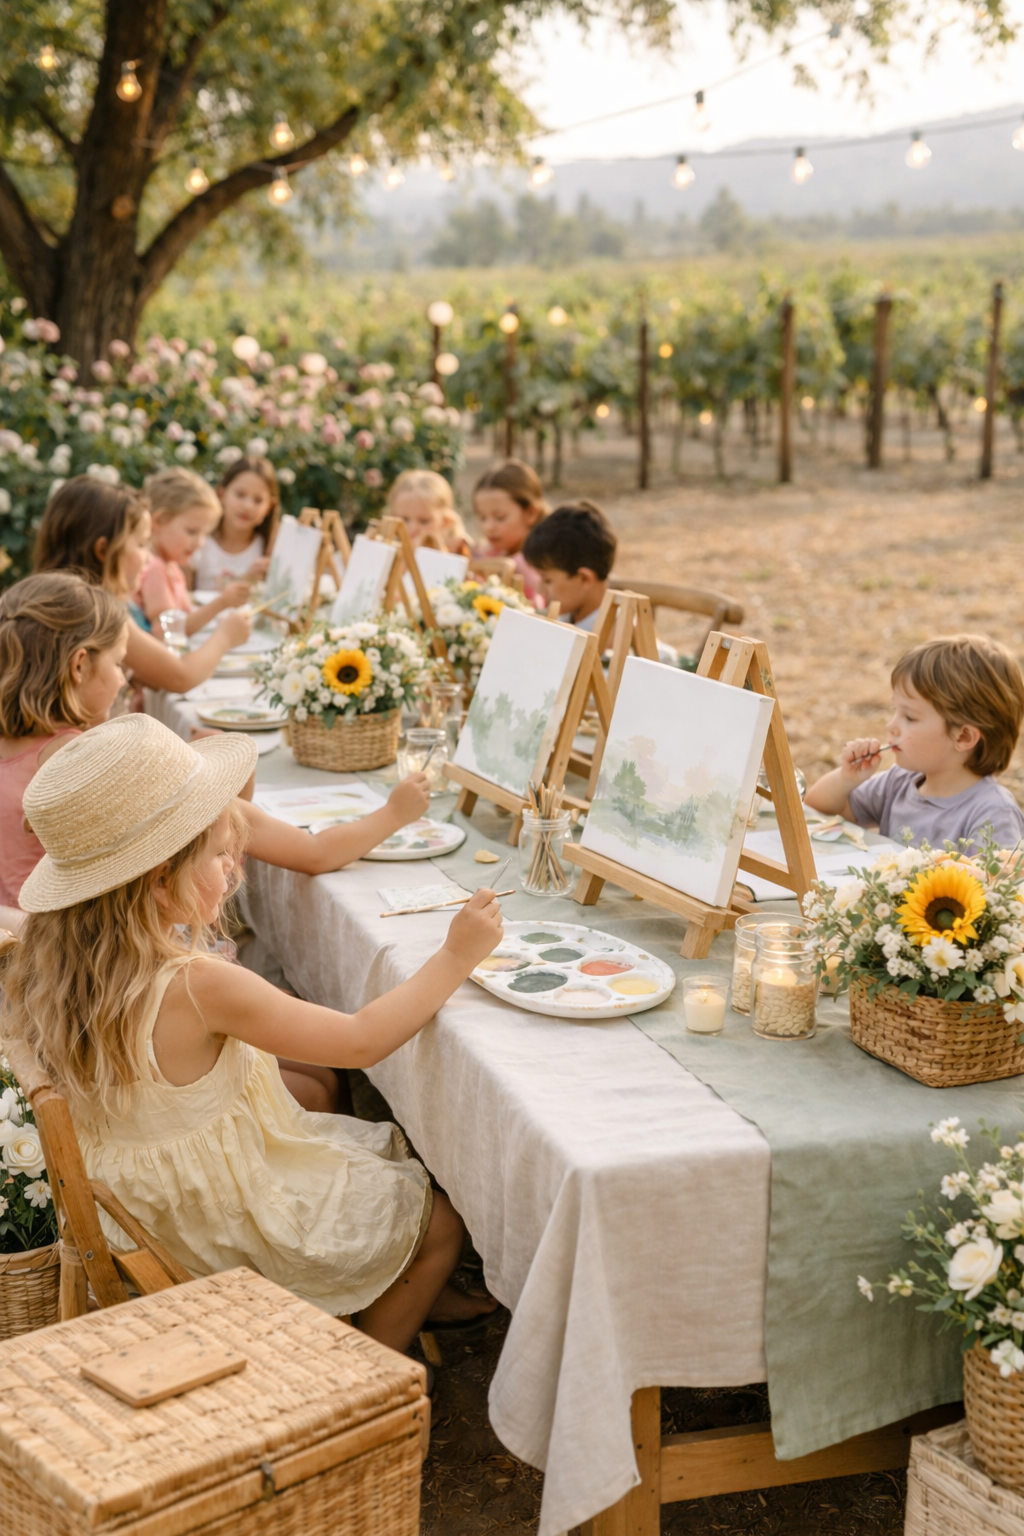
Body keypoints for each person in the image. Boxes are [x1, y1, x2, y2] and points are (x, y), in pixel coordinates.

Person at [0, 714, 501, 1351]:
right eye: (218, 856)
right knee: (438, 1224)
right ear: (160, 883)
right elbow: (360, 1040)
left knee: (334, 1117)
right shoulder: (199, 986)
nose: (234, 870)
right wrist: (457, 954)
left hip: (136, 1216)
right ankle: (362, 1374)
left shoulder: (58, 966)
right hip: (214, 1228)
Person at [804, 634, 1024, 851]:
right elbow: (816, 810)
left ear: (964, 737)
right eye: (894, 710)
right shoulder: (897, 782)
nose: (891, 726)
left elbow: (1002, 885)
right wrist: (845, 779)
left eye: (909, 717)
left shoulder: (993, 814)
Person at [34, 477, 252, 694]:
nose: (148, 559)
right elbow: (180, 677)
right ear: (103, 550)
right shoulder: (98, 613)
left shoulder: (52, 599)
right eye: (140, 544)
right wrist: (225, 636)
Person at [0, 574, 128, 925]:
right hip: (61, 950)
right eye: (118, 663)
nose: (122, 679)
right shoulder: (71, 756)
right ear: (79, 665)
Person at [139, 468, 251, 635]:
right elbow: (168, 632)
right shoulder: (155, 570)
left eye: (204, 534)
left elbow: (187, 616)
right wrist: (222, 602)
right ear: (160, 520)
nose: (200, 543)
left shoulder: (171, 568)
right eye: (192, 531)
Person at [522, 499, 616, 632]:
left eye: (547, 580)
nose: (539, 590)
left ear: (584, 578)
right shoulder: (565, 619)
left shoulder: (620, 640)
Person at [192, 456, 279, 591]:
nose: (248, 506)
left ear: (269, 507)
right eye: (240, 495)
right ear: (221, 494)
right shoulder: (198, 542)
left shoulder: (269, 549)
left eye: (258, 500)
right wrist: (246, 579)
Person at [472, 459, 548, 604]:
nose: (489, 527)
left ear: (531, 513)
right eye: (482, 517)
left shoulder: (537, 567)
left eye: (500, 518)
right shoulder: (493, 551)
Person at [387, 469, 471, 556]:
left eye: (424, 521)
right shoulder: (386, 552)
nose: (413, 529)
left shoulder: (457, 554)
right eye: (404, 519)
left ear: (445, 521)